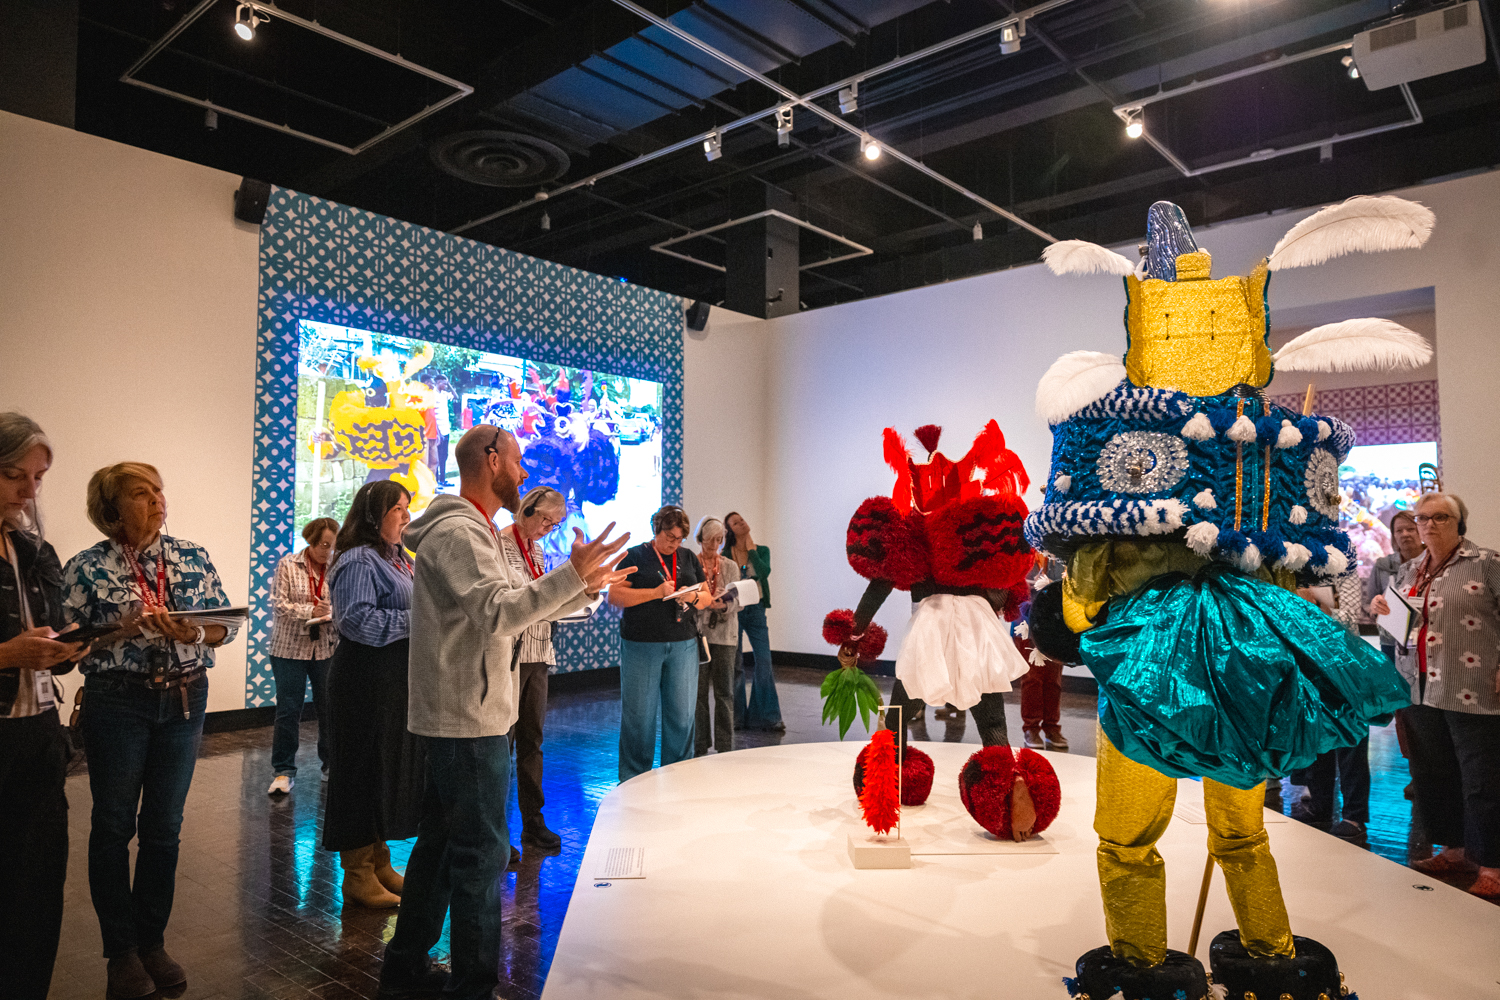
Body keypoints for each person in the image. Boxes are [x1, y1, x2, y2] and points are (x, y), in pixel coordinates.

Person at [379, 426, 630, 1000]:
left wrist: (584, 586)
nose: (523, 472)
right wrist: (572, 577)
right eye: (517, 460)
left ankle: (404, 968)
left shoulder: (477, 528)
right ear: (491, 461)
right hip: (467, 715)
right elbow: (500, 613)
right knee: (481, 855)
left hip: (467, 710)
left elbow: (518, 605)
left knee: (441, 846)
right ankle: (472, 986)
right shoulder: (459, 532)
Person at [63, 462, 237, 999]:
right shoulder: (85, 567)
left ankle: (152, 943)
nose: (157, 501)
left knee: (164, 827)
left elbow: (226, 626)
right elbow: (65, 647)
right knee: (114, 825)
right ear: (111, 509)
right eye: (141, 494)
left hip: (185, 698)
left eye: (159, 491)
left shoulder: (192, 555)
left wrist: (193, 633)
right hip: (117, 702)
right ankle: (121, 953)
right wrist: (117, 630)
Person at [1372, 491, 1500, 897]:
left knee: (1482, 780)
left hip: (1473, 687)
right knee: (1434, 774)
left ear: (1459, 523)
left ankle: (1492, 866)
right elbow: (1398, 631)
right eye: (1422, 518)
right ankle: (1455, 850)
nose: (1428, 524)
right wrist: (1382, 611)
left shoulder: (1486, 562)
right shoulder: (1407, 571)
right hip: (1418, 688)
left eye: (1440, 517)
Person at [0, 414, 89, 1000]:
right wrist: (7, 654)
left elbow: (50, 640)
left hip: (38, 732)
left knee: (36, 886)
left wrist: (71, 647)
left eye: (38, 478)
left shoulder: (34, 549)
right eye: (14, 475)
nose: (30, 490)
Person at [322, 480, 422, 909]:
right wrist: (421, 621)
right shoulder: (358, 558)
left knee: (383, 769)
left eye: (407, 507)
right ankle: (357, 874)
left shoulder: (398, 558)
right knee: (360, 772)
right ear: (372, 515)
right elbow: (356, 621)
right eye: (397, 508)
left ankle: (380, 863)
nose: (406, 516)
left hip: (392, 679)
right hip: (362, 680)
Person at [610, 505, 714, 781]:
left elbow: (706, 597)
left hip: (683, 643)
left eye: (679, 538)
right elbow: (615, 596)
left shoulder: (688, 557)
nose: (674, 543)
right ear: (656, 529)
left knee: (682, 716)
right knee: (639, 718)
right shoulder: (634, 556)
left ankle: (679, 777)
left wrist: (691, 597)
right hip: (642, 644)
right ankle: (633, 779)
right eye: (669, 537)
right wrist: (655, 593)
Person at [498, 484, 569, 850]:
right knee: (503, 744)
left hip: (539, 651)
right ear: (527, 510)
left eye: (555, 525)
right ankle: (497, 832)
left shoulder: (538, 550)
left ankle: (533, 823)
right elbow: (513, 600)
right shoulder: (499, 544)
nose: (547, 529)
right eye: (546, 520)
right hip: (510, 657)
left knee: (533, 741)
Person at [1289, 572, 1372, 842]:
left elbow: (1348, 620)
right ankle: (1320, 805)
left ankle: (1354, 815)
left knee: (1351, 742)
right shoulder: (1295, 568)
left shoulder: (1345, 570)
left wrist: (1315, 605)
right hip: (1308, 662)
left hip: (1344, 663)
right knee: (1317, 737)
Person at [266, 517, 339, 795]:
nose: (327, 552)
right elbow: (278, 604)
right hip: (288, 649)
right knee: (288, 710)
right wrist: (310, 611)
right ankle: (283, 771)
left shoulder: (337, 567)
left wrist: (332, 611)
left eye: (332, 546)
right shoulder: (288, 564)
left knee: (328, 709)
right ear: (310, 540)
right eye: (323, 545)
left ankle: (331, 765)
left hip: (325, 648)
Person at [724, 511, 782, 731]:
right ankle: (737, 717)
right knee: (736, 662)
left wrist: (751, 551)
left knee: (764, 659)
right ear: (730, 530)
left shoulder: (761, 550)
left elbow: (764, 572)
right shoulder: (725, 553)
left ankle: (766, 716)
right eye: (736, 523)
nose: (742, 523)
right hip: (734, 610)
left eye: (742, 520)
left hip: (756, 609)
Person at [693, 516, 740, 756]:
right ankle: (700, 744)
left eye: (719, 540)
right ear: (700, 538)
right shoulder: (692, 563)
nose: (714, 545)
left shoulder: (730, 566)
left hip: (725, 636)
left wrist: (724, 605)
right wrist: (703, 602)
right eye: (710, 540)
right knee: (698, 693)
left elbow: (740, 599)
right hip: (699, 635)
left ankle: (725, 746)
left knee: (725, 693)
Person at [1018, 554, 1068, 751]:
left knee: (1054, 678)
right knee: (1032, 678)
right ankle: (1031, 728)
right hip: (1026, 619)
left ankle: (1052, 727)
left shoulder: (1060, 552)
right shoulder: (1024, 550)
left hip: (1055, 621)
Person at [1367, 509, 1424, 662]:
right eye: (1399, 531)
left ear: (1421, 531)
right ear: (1393, 536)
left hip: (1426, 641)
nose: (1405, 534)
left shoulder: (1434, 563)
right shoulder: (1383, 565)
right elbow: (1369, 604)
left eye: (1411, 529)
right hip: (1390, 641)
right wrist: (1375, 607)